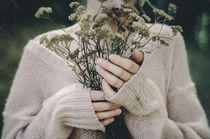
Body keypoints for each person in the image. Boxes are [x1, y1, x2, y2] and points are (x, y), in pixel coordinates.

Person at [2, 0, 210, 138]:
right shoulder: (44, 48)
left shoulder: (167, 41)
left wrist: (144, 105)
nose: (119, 2)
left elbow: (197, 134)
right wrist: (59, 110)